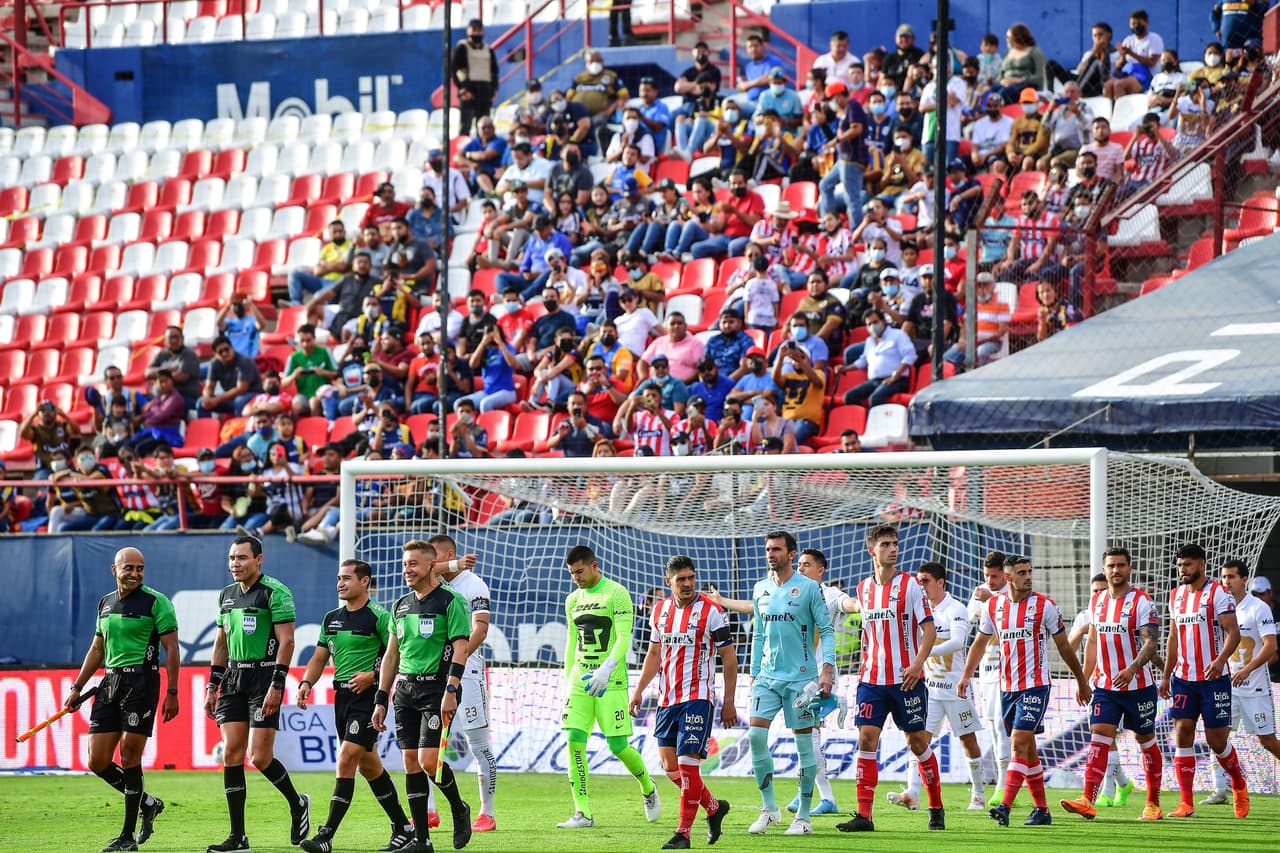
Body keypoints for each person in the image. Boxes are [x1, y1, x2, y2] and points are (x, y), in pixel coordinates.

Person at [958, 554, 1090, 829]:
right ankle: (1042, 810)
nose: (1028, 576)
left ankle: (1004, 805)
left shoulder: (1045, 606)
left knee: (1017, 743)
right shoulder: (993, 607)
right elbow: (980, 644)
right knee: (1028, 751)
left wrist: (1080, 680)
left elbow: (1065, 647)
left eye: (1029, 571)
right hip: (1007, 688)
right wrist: (965, 676)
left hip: (1036, 686)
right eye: (1022, 572)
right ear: (1008, 578)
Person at [296, 560, 415, 853]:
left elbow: (396, 657)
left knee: (347, 758)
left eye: (347, 578)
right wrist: (306, 683)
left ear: (365, 582)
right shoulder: (331, 618)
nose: (340, 583)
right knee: (370, 765)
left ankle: (326, 835)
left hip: (369, 697)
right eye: (338, 578)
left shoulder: (379, 616)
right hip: (342, 698)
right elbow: (319, 657)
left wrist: (373, 677)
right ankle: (403, 826)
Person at [64, 546, 178, 852]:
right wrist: (77, 687)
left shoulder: (157, 602)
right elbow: (97, 649)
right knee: (98, 760)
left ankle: (127, 837)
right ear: (114, 570)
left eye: (140, 568)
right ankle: (148, 803)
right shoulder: (105, 603)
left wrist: (172, 691)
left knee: (129, 756)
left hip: (142, 682)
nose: (135, 574)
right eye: (129, 568)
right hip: (110, 681)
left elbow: (173, 649)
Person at [203, 535, 310, 853]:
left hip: (265, 677)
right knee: (232, 754)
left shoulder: (275, 592)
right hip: (234, 678)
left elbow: (287, 641)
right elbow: (221, 643)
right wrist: (212, 685)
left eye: (242, 558)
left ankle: (297, 802)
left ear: (258, 560)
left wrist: (278, 684)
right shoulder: (226, 595)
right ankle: (238, 837)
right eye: (232, 558)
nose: (235, 564)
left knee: (259, 757)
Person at [835, 524, 942, 834]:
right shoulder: (862, 588)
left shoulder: (910, 585)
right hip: (871, 680)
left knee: (917, 743)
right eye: (885, 544)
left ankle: (935, 806)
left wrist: (917, 665)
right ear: (872, 550)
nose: (893, 548)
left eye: (895, 543)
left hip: (906, 679)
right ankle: (864, 816)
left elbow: (930, 630)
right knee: (866, 739)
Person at [628, 555, 738, 849]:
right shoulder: (659, 611)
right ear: (669, 583)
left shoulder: (712, 611)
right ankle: (714, 808)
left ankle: (683, 834)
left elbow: (729, 658)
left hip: (698, 698)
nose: (688, 583)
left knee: (689, 767)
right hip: (667, 699)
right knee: (670, 769)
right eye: (681, 579)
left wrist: (729, 701)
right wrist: (639, 690)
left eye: (691, 577)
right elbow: (654, 654)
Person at [371, 540, 474, 853]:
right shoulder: (400, 605)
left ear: (432, 565)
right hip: (405, 690)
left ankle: (459, 807)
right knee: (410, 763)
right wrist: (380, 697)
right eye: (405, 564)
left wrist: (452, 689)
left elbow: (461, 646)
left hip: (437, 688)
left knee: (430, 762)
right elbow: (391, 656)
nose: (407, 570)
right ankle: (422, 841)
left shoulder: (449, 601)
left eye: (414, 564)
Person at [557, 544, 661, 828]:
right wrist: (568, 681)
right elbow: (570, 642)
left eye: (579, 571)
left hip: (610, 680)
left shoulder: (617, 593)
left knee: (617, 745)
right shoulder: (572, 599)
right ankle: (583, 812)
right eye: (572, 573)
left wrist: (607, 669)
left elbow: (624, 637)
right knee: (573, 741)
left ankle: (647, 786)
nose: (576, 577)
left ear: (594, 565)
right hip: (581, 679)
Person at [1059, 546, 1165, 822]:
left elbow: (1151, 642)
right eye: (1111, 566)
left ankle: (1153, 803)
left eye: (1120, 565)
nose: (1115, 570)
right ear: (1104, 569)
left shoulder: (1142, 602)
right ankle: (1087, 799)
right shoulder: (1097, 602)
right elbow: (1092, 641)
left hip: (1139, 686)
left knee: (1145, 739)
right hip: (1106, 687)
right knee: (1099, 737)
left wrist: (1132, 668)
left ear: (1129, 569)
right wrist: (1083, 680)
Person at [742, 531, 835, 836]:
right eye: (768, 549)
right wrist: (754, 672)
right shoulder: (760, 589)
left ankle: (804, 817)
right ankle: (769, 809)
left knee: (804, 747)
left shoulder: (809, 588)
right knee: (756, 736)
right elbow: (758, 634)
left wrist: (827, 670)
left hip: (801, 680)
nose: (771, 554)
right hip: (767, 678)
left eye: (777, 549)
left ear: (791, 554)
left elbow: (827, 629)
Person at [1157, 543, 1249, 818]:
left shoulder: (1219, 594)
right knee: (1183, 731)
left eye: (1188, 565)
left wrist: (1220, 660)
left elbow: (1232, 633)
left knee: (1216, 740)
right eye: (1180, 565)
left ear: (1201, 565)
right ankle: (1186, 803)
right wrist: (1165, 675)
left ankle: (1239, 785)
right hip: (1183, 678)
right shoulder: (1175, 596)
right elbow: (1172, 638)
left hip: (1214, 679)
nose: (1182, 570)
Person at [889, 562, 988, 813]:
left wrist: (924, 654)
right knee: (918, 740)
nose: (921, 586)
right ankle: (912, 792)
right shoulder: (917, 610)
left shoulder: (955, 609)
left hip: (955, 689)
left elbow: (957, 641)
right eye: (918, 581)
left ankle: (978, 794)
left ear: (941, 582)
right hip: (929, 690)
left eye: (926, 581)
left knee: (968, 741)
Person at [1204, 559, 1280, 805]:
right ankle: (1220, 789)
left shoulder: (1258, 608)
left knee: (1267, 741)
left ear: (1244, 579)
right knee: (1217, 737)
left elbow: (1271, 646)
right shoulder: (1219, 608)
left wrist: (1247, 670)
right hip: (1226, 686)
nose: (1227, 582)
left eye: (1232, 577)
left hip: (1254, 687)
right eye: (1224, 577)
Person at [452, 19, 498, 135]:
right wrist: (462, 89)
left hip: (485, 90)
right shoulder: (462, 47)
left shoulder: (488, 49)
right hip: (469, 89)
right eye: (474, 30)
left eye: (479, 30)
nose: (476, 33)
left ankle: (482, 149)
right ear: (468, 31)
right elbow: (453, 69)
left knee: (483, 125)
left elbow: (494, 71)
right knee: (466, 124)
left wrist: (494, 89)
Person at [1103, 11, 1164, 100]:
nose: (1135, 26)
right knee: (1108, 85)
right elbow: (1118, 66)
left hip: (1147, 78)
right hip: (1127, 74)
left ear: (1146, 23)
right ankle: (1110, 112)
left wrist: (1130, 52)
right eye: (1133, 23)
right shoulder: (1128, 40)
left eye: (1138, 23)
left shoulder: (1154, 39)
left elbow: (1151, 62)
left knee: (1119, 85)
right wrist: (1123, 56)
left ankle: (1121, 112)